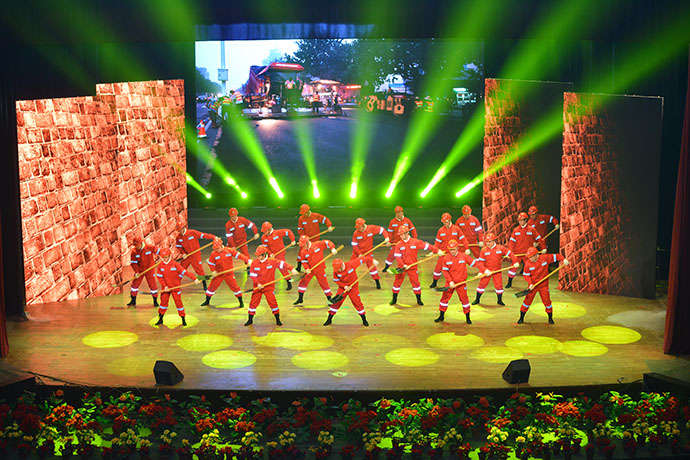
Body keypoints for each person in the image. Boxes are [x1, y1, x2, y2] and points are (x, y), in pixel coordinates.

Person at [390, 225, 442, 306]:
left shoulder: (415, 242)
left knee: (416, 284)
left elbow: (427, 246)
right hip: (401, 267)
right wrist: (403, 265)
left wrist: (437, 250)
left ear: (407, 233)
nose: (400, 236)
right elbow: (397, 257)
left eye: (401, 234)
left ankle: (419, 299)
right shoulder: (399, 245)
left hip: (412, 267)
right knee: (397, 283)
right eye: (399, 235)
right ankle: (394, 299)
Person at [246, 245, 298, 326]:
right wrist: (258, 283)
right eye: (257, 255)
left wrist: (292, 269)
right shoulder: (254, 263)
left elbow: (283, 264)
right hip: (257, 287)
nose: (257, 257)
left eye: (259, 255)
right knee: (253, 303)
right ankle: (250, 320)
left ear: (264, 255)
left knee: (273, 303)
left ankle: (278, 320)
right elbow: (253, 275)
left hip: (269, 287)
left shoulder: (272, 262)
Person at [518, 247, 569, 324]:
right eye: (529, 257)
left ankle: (550, 318)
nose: (529, 259)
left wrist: (563, 259)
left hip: (543, 285)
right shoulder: (527, 264)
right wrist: (530, 283)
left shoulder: (544, 258)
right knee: (527, 301)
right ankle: (521, 318)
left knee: (547, 301)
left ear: (536, 255)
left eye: (531, 257)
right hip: (533, 285)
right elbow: (526, 275)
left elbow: (556, 256)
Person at [325, 256, 377, 327]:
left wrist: (372, 260)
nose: (337, 271)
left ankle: (364, 320)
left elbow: (362, 259)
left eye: (338, 270)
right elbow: (336, 280)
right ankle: (329, 319)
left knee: (357, 303)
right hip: (343, 288)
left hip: (353, 287)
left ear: (341, 266)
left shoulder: (351, 264)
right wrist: (344, 286)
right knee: (336, 303)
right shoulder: (336, 271)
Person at [434, 239, 477, 324]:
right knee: (444, 299)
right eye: (450, 250)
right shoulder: (446, 258)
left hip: (461, 283)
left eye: (453, 249)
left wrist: (483, 270)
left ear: (457, 248)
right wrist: (450, 281)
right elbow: (445, 271)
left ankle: (468, 317)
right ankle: (441, 316)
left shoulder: (463, 257)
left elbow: (475, 263)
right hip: (450, 283)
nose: (452, 251)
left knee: (464, 300)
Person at [154, 248, 200, 327]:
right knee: (163, 304)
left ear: (169, 256)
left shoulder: (175, 264)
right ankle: (160, 318)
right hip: (166, 288)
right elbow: (159, 277)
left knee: (178, 303)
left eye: (166, 257)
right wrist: (165, 286)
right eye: (163, 257)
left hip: (175, 287)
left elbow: (185, 272)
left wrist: (194, 278)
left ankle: (183, 319)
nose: (164, 259)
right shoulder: (160, 265)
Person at [201, 237, 250, 307]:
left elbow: (239, 255)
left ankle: (241, 301)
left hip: (229, 274)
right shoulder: (213, 254)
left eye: (218, 248)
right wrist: (213, 271)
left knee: (235, 287)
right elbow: (211, 263)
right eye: (215, 248)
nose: (216, 250)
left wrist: (247, 260)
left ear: (221, 245)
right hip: (219, 274)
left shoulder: (229, 251)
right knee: (211, 287)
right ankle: (207, 301)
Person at [473, 232, 519, 306]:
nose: (488, 243)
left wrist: (515, 261)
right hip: (487, 270)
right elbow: (481, 263)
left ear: (494, 241)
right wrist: (482, 271)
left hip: (497, 270)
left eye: (489, 242)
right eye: (487, 242)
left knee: (499, 286)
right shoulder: (484, 250)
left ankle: (499, 300)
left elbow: (510, 253)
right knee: (481, 285)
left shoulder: (500, 248)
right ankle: (477, 299)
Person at [506, 212, 546, 288]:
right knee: (513, 268)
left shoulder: (531, 229)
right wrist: (510, 252)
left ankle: (533, 284)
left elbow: (539, 239)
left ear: (525, 220)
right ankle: (509, 282)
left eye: (522, 220)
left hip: (528, 254)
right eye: (519, 221)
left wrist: (543, 248)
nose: (520, 222)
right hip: (518, 253)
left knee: (531, 268)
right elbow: (511, 242)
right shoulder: (516, 230)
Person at [293, 236, 337, 305]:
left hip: (320, 269)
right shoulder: (303, 251)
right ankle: (300, 299)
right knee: (303, 282)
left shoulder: (317, 244)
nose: (303, 247)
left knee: (324, 284)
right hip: (310, 270)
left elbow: (327, 242)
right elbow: (304, 261)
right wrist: (307, 268)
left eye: (303, 245)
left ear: (307, 242)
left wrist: (332, 248)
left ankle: (329, 299)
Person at [175, 221, 216, 291]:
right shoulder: (178, 237)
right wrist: (183, 253)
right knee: (181, 269)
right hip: (187, 256)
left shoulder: (192, 233)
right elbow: (179, 246)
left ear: (184, 227)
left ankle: (205, 286)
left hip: (195, 255)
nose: (180, 232)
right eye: (179, 231)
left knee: (200, 271)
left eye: (180, 230)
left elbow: (203, 235)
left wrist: (214, 237)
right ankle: (175, 284)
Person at [430, 213, 467, 289]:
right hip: (443, 253)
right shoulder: (441, 230)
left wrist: (467, 248)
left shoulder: (456, 229)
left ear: (450, 220)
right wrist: (434, 251)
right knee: (438, 268)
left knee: (456, 269)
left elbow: (463, 239)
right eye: (443, 222)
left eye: (446, 222)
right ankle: (434, 282)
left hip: (454, 253)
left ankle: (457, 283)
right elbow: (437, 243)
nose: (445, 223)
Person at [351, 217, 389, 289]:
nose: (358, 229)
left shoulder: (371, 228)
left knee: (372, 267)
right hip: (357, 252)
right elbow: (354, 245)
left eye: (359, 227)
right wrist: (359, 253)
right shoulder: (356, 233)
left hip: (368, 252)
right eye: (357, 228)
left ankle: (377, 282)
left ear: (363, 225)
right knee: (351, 265)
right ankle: (350, 281)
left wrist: (386, 237)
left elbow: (382, 230)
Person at [296, 204, 333, 271]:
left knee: (315, 253)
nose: (304, 215)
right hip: (306, 240)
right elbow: (300, 229)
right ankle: (299, 267)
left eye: (304, 213)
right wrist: (303, 237)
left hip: (316, 239)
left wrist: (329, 226)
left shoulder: (315, 216)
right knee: (301, 252)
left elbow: (325, 219)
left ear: (308, 211)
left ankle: (315, 267)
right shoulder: (301, 219)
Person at [260, 221, 296, 290]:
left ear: (269, 229)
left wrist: (292, 240)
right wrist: (270, 253)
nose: (264, 233)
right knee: (269, 269)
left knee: (282, 268)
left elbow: (289, 232)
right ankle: (268, 284)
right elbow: (266, 247)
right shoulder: (263, 237)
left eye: (265, 231)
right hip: (271, 256)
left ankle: (288, 282)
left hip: (280, 254)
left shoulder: (278, 232)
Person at [127, 236, 160, 307]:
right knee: (134, 285)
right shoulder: (134, 251)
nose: (136, 247)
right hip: (140, 270)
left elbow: (158, 251)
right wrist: (136, 272)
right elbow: (133, 263)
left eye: (137, 245)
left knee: (152, 285)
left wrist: (162, 255)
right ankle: (133, 300)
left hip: (149, 269)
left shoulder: (149, 247)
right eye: (135, 245)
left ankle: (155, 301)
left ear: (141, 243)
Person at [383, 206, 417, 272]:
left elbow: (413, 230)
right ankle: (386, 267)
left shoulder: (407, 220)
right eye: (397, 213)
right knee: (391, 255)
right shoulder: (392, 221)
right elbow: (390, 233)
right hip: (395, 243)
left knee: (406, 255)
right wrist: (388, 242)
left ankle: (405, 267)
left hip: (405, 242)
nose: (398, 214)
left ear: (402, 212)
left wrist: (414, 239)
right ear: (395, 214)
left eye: (399, 212)